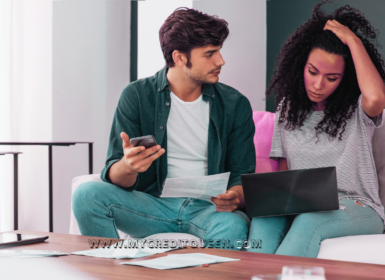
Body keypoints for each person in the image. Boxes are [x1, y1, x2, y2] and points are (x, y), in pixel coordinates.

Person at [72, 8, 255, 250]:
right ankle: (110, 269)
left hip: (208, 209)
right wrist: (128, 166)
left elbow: (243, 176)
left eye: (219, 51)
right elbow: (114, 172)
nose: (220, 61)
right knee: (87, 195)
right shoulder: (137, 96)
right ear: (180, 57)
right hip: (151, 205)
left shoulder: (235, 104)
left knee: (233, 226)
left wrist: (236, 196)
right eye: (210, 54)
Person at [247, 2, 385, 257]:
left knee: (310, 221)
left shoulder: (358, 110)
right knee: (264, 219)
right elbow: (285, 177)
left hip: (357, 206)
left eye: (331, 77)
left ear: (345, 78)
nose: (318, 84)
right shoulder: (287, 108)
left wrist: (353, 41)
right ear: (301, 65)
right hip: (302, 204)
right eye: (312, 71)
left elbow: (377, 97)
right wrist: (272, 202)